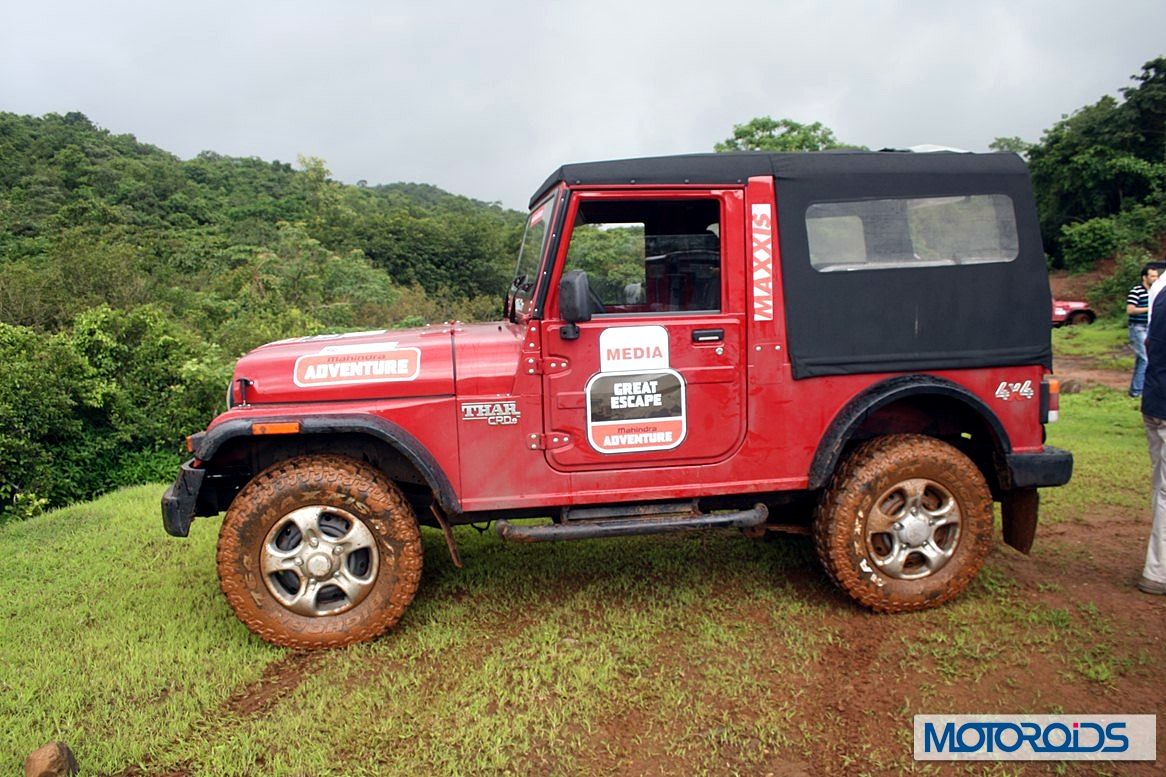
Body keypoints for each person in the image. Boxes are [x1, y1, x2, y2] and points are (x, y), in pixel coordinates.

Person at [1138, 289, 1166, 595]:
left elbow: (1149, 343)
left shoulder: (1160, 294)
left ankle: (1158, 568)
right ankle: (1158, 571)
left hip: (1155, 401)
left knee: (1161, 487)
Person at [1127, 264, 1159, 397]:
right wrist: (1149, 308)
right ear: (1144, 277)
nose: (1155, 279)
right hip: (1138, 327)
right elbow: (1130, 310)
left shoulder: (1156, 292)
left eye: (1156, 276)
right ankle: (1136, 391)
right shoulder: (1136, 291)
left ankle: (1140, 388)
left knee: (1145, 358)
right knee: (1145, 358)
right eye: (1152, 276)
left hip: (1151, 328)